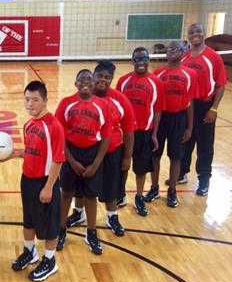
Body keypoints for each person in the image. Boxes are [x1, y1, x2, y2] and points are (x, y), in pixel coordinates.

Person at [68, 61, 136, 236]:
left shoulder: (120, 100)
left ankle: (112, 216)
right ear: (93, 76)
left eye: (107, 77)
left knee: (111, 186)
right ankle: (78, 213)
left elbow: (129, 130)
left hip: (112, 151)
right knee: (81, 185)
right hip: (87, 151)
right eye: (99, 76)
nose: (103, 80)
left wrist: (127, 157)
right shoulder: (80, 98)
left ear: (112, 79)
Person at [9, 81, 65, 282]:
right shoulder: (28, 124)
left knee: (49, 224)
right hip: (27, 180)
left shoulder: (54, 126)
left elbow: (58, 159)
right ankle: (29, 251)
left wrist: (49, 187)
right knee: (29, 219)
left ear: (45, 101)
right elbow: (33, 151)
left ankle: (50, 261)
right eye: (27, 99)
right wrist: (16, 153)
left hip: (45, 181)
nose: (30, 104)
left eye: (35, 100)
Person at [55, 69, 111, 255]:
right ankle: (61, 230)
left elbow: (105, 137)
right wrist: (71, 161)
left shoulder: (102, 106)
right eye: (81, 80)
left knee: (90, 196)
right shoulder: (66, 103)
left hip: (92, 153)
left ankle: (91, 233)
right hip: (71, 151)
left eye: (89, 79)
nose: (85, 82)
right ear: (75, 83)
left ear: (94, 83)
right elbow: (59, 135)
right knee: (66, 193)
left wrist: (96, 164)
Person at [177, 23, 227, 196]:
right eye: (191, 32)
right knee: (185, 141)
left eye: (198, 31)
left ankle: (204, 179)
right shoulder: (183, 57)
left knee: (205, 146)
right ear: (188, 36)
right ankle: (182, 173)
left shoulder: (213, 57)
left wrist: (214, 108)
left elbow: (221, 84)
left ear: (205, 34)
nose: (195, 34)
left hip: (204, 105)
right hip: (186, 106)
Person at [145, 41, 197, 207]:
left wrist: (189, 127)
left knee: (175, 156)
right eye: (170, 49)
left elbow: (190, 102)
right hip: (161, 118)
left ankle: (172, 190)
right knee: (155, 154)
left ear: (184, 53)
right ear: (166, 53)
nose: (174, 52)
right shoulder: (157, 74)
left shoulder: (190, 74)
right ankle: (154, 187)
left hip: (179, 118)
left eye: (178, 49)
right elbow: (153, 103)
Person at [116, 47, 164, 217]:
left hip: (145, 131)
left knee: (141, 168)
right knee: (123, 165)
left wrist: (154, 134)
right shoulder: (123, 81)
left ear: (148, 60)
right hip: (126, 132)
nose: (141, 62)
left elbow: (158, 109)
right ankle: (120, 195)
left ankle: (138, 196)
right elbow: (117, 107)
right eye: (137, 59)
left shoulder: (156, 82)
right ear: (132, 60)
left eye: (144, 58)